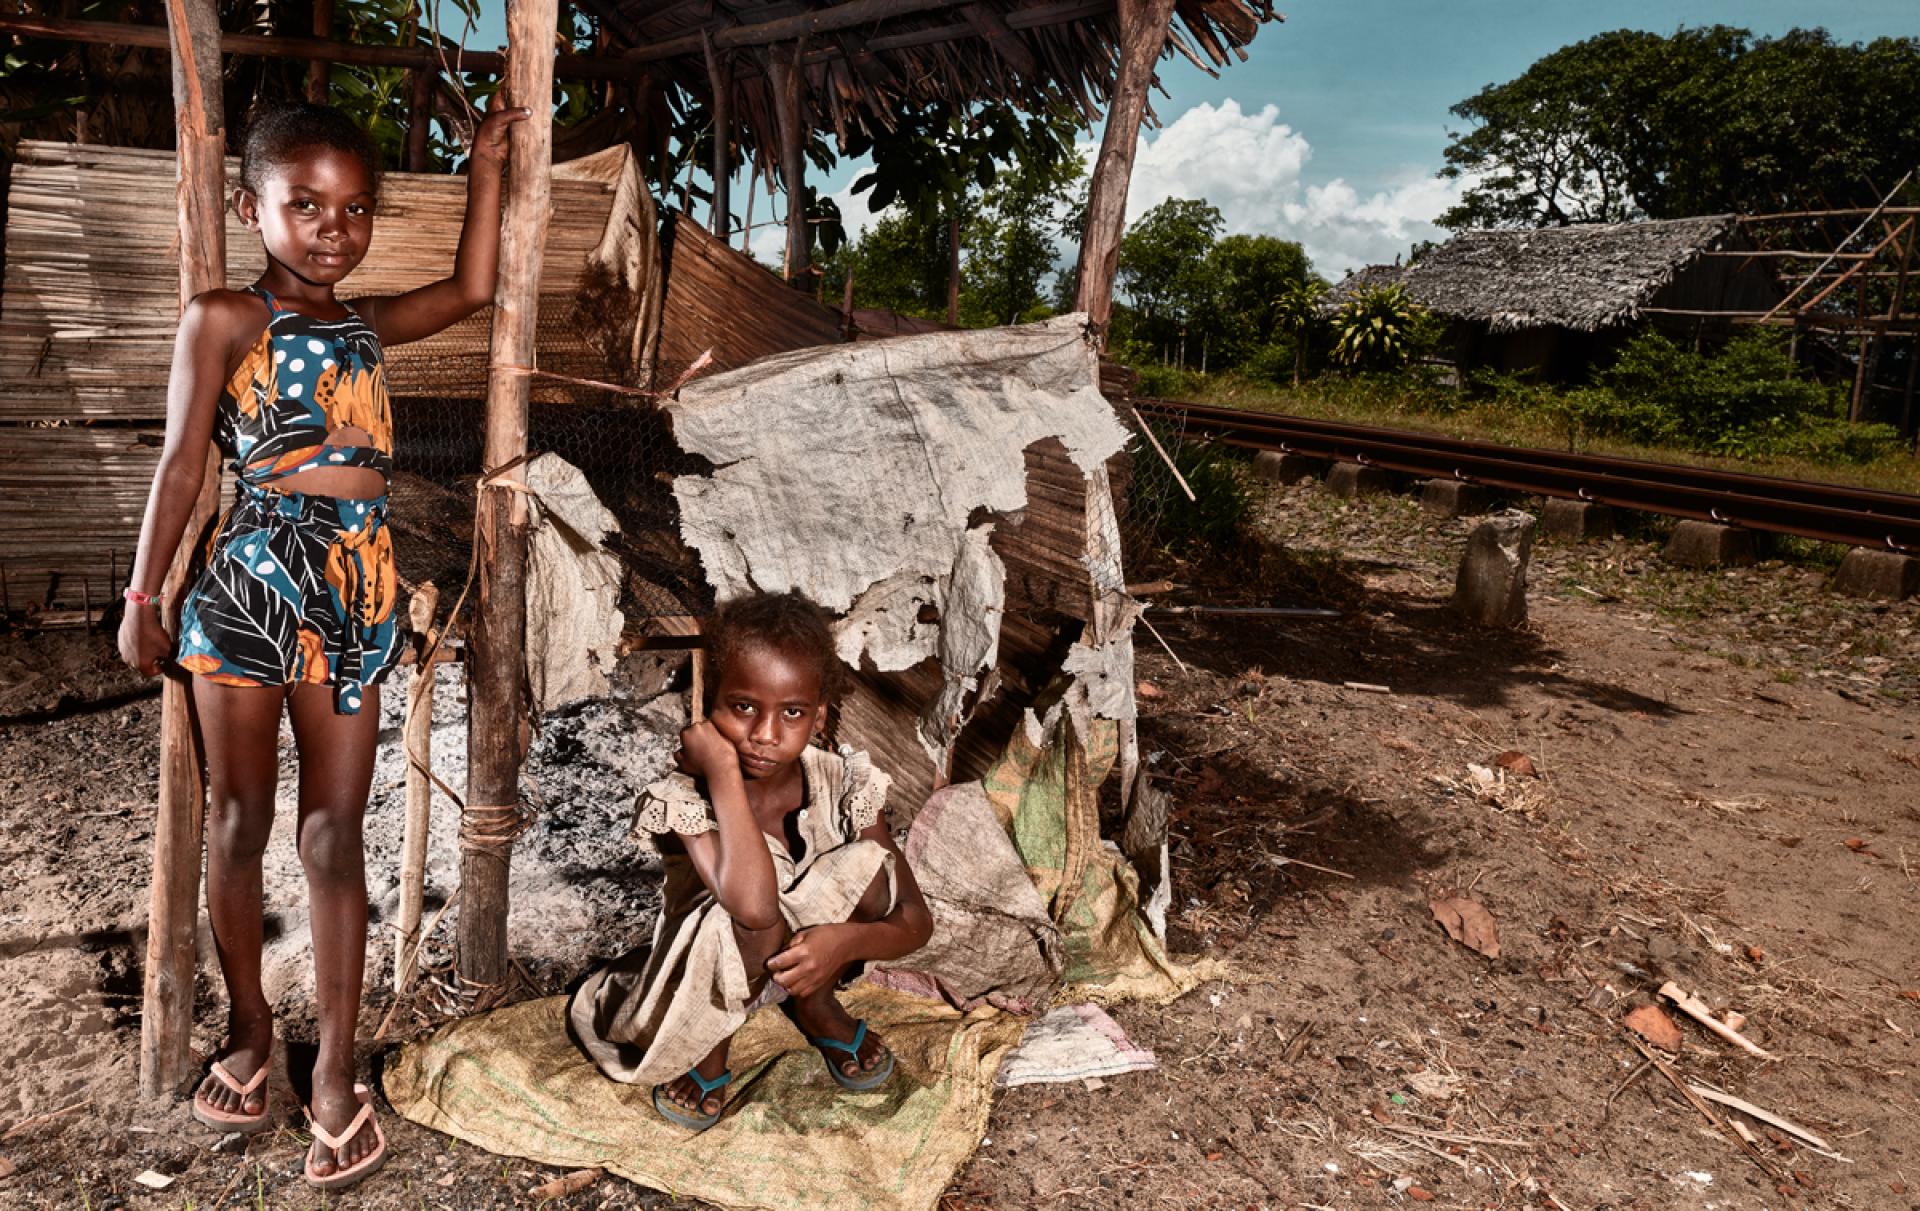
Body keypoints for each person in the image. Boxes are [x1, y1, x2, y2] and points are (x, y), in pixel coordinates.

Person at [117, 98, 530, 1191]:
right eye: (306, 204)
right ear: (254, 208)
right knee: (240, 821)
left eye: (354, 209)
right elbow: (179, 466)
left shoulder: (366, 326)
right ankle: (254, 1032)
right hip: (249, 590)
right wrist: (142, 591)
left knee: (334, 832)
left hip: (355, 590)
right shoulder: (220, 319)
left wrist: (484, 168)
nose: (333, 227)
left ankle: (336, 1064)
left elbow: (474, 288)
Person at [568, 590, 936, 1131]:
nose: (765, 735)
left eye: (792, 712)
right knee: (743, 909)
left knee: (868, 867)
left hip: (810, 958)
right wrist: (719, 772)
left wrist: (845, 942)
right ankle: (711, 1038)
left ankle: (815, 1004)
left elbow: (913, 920)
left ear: (818, 715)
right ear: (709, 704)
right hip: (712, 967)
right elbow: (754, 905)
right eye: (743, 707)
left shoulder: (844, 782)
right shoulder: (685, 798)